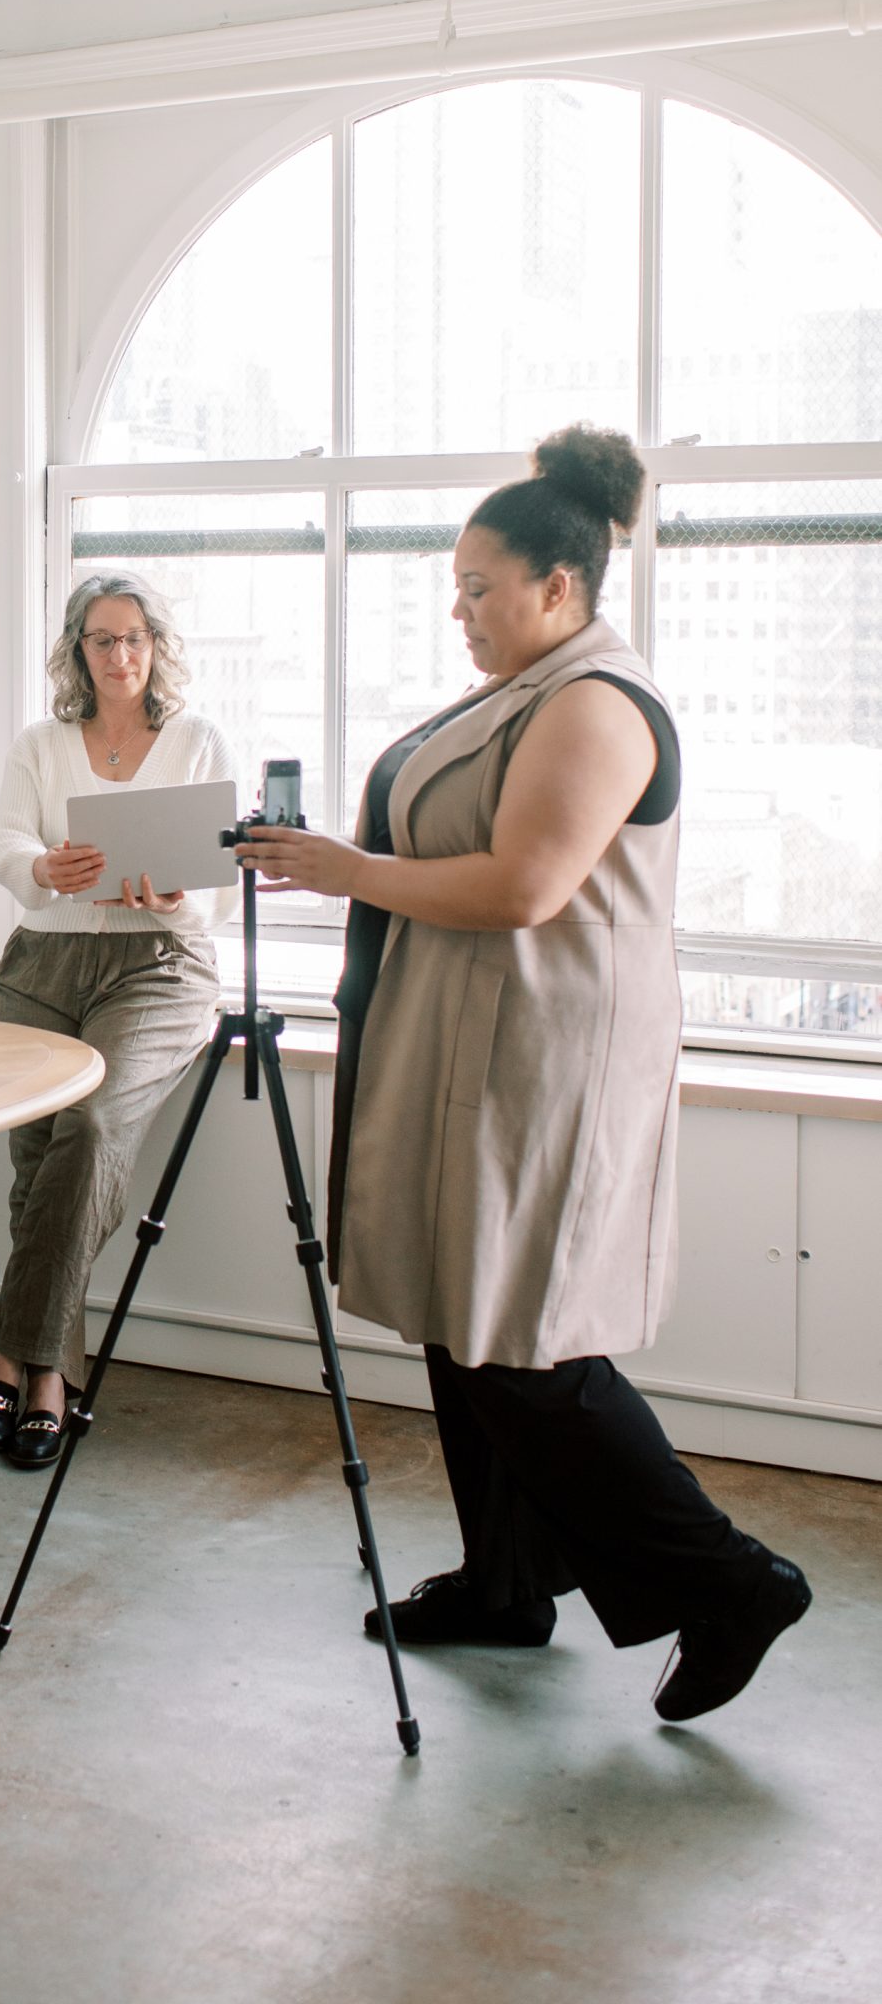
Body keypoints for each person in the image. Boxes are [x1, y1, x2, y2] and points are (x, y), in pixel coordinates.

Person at [237, 426, 810, 1723]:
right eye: (455, 588)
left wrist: (345, 871)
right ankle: (504, 1585)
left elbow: (524, 884)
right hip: (471, 1050)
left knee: (525, 1343)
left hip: (547, 1065)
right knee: (465, 1318)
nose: (459, 611)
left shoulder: (595, 702)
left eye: (476, 588)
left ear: (557, 585)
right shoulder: (523, 689)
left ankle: (732, 1582)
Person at [0, 574, 239, 1468]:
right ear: (77, 651)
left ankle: (20, 1356)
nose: (119, 655)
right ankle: (44, 1364)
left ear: (155, 646)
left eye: (133, 638)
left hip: (158, 965)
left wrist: (176, 895)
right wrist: (40, 868)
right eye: (101, 640)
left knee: (87, 1130)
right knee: (37, 1164)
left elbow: (219, 870)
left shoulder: (196, 739)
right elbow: (4, 840)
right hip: (46, 959)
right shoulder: (41, 743)